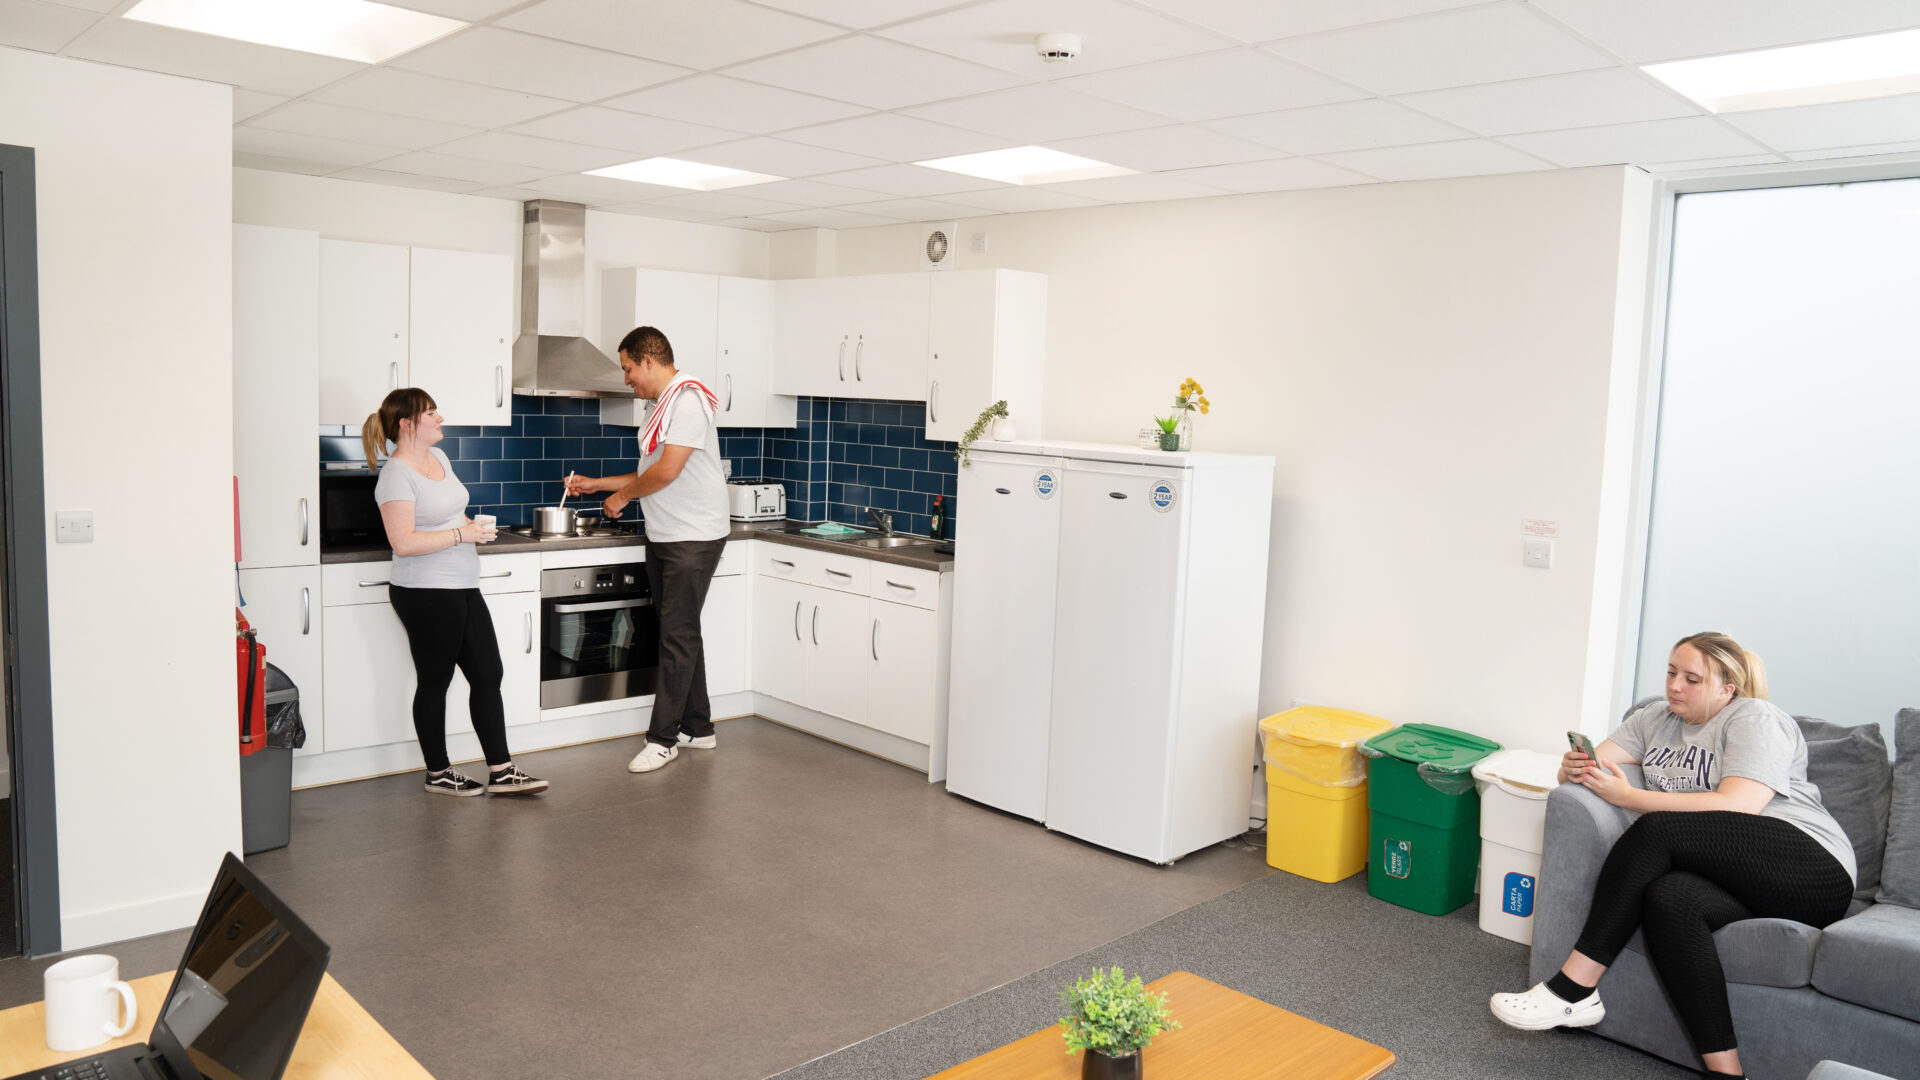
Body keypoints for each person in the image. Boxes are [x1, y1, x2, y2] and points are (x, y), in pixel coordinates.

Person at [1490, 632, 1854, 1079]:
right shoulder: (1654, 720)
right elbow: (1599, 765)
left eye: (1692, 679)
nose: (1675, 686)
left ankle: (1573, 988)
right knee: (1669, 899)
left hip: (1810, 868)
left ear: (1727, 690)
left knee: (1657, 827)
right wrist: (1571, 769)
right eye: (1671, 672)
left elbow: (1737, 805)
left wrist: (1629, 798)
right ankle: (1727, 1072)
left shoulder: (1754, 718)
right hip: (1740, 878)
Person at [363, 388, 548, 797]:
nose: (440, 417)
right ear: (407, 424)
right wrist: (459, 534)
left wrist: (473, 531)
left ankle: (501, 770)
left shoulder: (439, 459)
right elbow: (404, 542)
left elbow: (452, 514)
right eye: (431, 413)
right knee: (436, 680)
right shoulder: (396, 475)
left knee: (488, 673)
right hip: (425, 591)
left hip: (462, 583)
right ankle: (438, 772)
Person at [564, 327, 729, 775]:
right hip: (666, 533)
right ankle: (699, 726)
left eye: (628, 368)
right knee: (680, 632)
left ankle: (663, 740)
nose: (626, 379)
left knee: (676, 636)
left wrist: (623, 499)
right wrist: (597, 485)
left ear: (650, 361)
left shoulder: (688, 402)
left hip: (693, 537)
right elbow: (648, 471)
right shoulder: (661, 406)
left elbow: (668, 472)